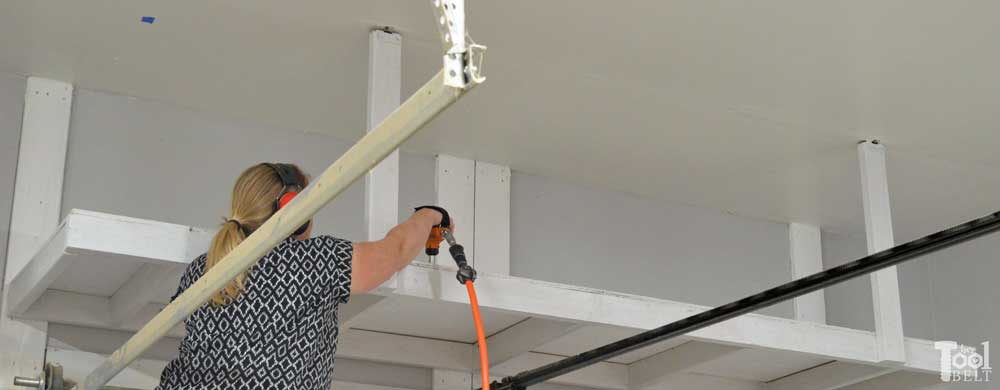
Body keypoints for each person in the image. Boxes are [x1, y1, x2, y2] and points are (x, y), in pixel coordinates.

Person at [156, 162, 448, 390]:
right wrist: (429, 215)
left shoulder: (202, 268)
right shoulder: (312, 261)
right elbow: (394, 251)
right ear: (292, 208)